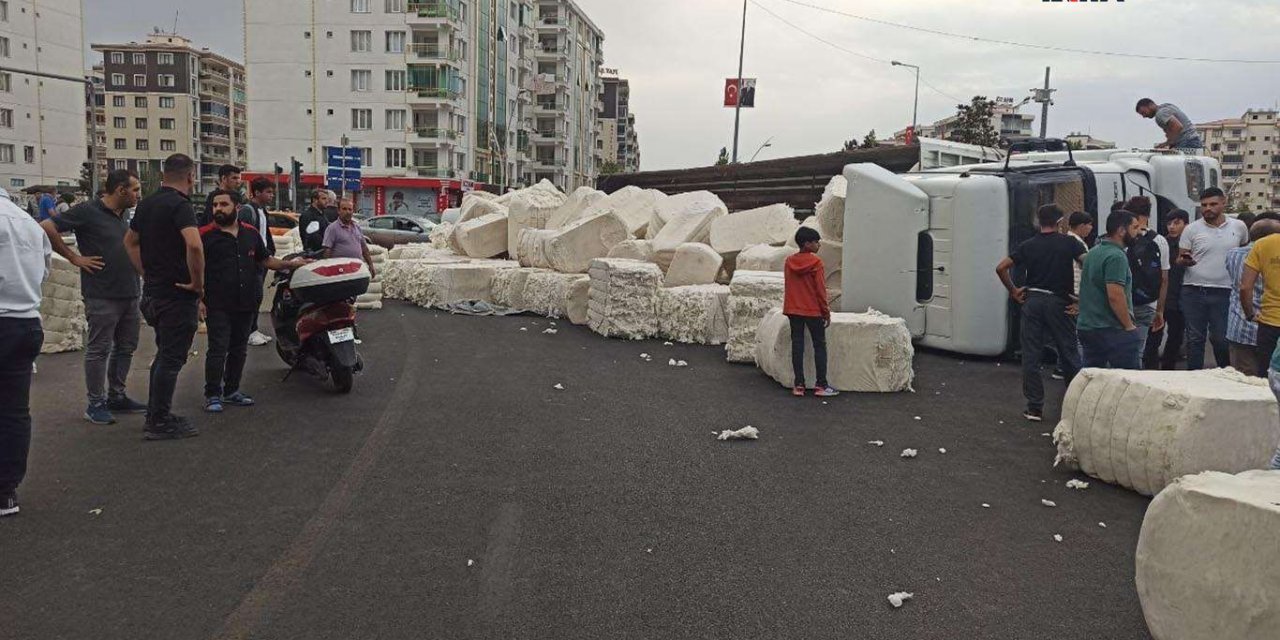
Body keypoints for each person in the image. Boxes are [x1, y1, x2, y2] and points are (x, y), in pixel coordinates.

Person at [39, 169, 147, 424]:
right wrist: (74, 257)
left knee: (126, 347)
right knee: (99, 349)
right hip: (103, 294)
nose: (137, 195)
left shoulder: (125, 215)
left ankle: (117, 396)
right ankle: (95, 403)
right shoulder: (88, 211)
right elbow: (46, 226)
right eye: (135, 190)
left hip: (130, 291)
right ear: (121, 190)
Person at [199, 191, 307, 413]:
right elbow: (194, 268)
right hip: (217, 303)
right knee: (218, 349)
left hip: (246, 301)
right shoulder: (204, 235)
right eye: (215, 205)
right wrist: (198, 299)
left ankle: (231, 391)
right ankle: (212, 394)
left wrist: (293, 265)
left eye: (223, 204)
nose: (218, 209)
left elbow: (266, 259)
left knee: (239, 348)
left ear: (237, 208)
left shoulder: (250, 233)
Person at [123, 154, 204, 441]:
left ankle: (157, 412)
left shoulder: (147, 204)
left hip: (154, 293)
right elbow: (194, 245)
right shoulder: (180, 206)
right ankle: (158, 421)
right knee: (172, 358)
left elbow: (129, 242)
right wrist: (197, 283)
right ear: (190, 177)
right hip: (177, 295)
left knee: (164, 354)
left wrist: (146, 272)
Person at [996, 204, 1087, 422]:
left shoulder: (1028, 245)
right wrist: (1083, 300)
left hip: (1032, 301)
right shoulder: (1070, 243)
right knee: (1068, 352)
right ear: (1059, 222)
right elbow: (1089, 264)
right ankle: (1078, 406)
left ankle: (1034, 407)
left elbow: (1001, 267)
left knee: (1031, 354)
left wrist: (1014, 290)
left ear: (1039, 222)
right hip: (1059, 302)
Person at [0, 187, 51, 517]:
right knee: (14, 411)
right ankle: (6, 493)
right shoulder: (28, 222)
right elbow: (45, 271)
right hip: (26, 321)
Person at [1179, 188, 1249, 370]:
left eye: (1212, 204)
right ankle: (1193, 379)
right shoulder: (1191, 229)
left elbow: (1243, 253)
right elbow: (1180, 257)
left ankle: (1224, 375)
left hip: (1225, 291)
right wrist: (1184, 260)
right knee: (1195, 338)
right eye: (1204, 205)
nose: (1207, 208)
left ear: (1223, 203)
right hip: (1194, 290)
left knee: (1221, 338)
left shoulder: (1239, 227)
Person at [1078, 210, 1144, 369]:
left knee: (1093, 379)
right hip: (1112, 328)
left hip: (1088, 327)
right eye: (1135, 227)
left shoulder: (1093, 252)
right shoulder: (1116, 256)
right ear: (1121, 231)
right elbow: (1115, 295)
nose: (1139, 232)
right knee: (1129, 382)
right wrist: (1129, 326)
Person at [783, 227, 836, 397]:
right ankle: (821, 385)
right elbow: (820, 290)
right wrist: (826, 312)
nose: (819, 244)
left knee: (797, 345)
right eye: (816, 242)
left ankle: (799, 385)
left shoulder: (788, 262)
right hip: (813, 310)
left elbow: (789, 286)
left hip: (793, 309)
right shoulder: (816, 263)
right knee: (819, 345)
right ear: (807, 244)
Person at [1227, 217, 1280, 376]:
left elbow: (1245, 287)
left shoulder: (1260, 246)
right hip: (1264, 323)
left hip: (1265, 322)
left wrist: (1250, 314)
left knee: (1260, 379)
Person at [1122, 197, 1170, 362]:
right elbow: (1164, 279)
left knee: (1118, 349)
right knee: (1140, 351)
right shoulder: (1159, 240)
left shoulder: (1122, 238)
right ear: (1148, 215)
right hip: (1148, 303)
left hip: (1121, 302)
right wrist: (1160, 311)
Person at [1145, 209, 1191, 370]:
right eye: (1169, 223)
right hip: (1161, 297)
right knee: (1154, 335)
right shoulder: (1160, 243)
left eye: (1176, 223)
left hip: (1181, 297)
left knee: (1176, 337)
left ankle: (1168, 369)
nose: (1172, 227)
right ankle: (1151, 369)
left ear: (1186, 224)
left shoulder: (1190, 245)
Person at [239, 177, 278, 347]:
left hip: (262, 259)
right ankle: (247, 331)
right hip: (251, 261)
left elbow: (264, 235)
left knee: (257, 296)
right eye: (268, 192)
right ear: (256, 192)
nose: (271, 196)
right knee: (252, 296)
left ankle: (253, 329)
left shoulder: (262, 211)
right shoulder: (248, 211)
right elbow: (245, 236)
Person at [322, 198, 377, 277]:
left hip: (357, 270)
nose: (347, 212)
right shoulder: (332, 228)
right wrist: (327, 271)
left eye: (350, 209)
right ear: (338, 211)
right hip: (341, 272)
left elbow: (364, 248)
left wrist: (371, 265)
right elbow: (327, 251)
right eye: (344, 209)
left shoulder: (357, 227)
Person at [1135, 98, 1204, 151]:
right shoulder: (1167, 106)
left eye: (1144, 112)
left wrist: (1167, 143)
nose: (1144, 116)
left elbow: (1178, 127)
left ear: (1151, 105)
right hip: (1194, 141)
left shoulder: (1160, 114)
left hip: (1187, 143)